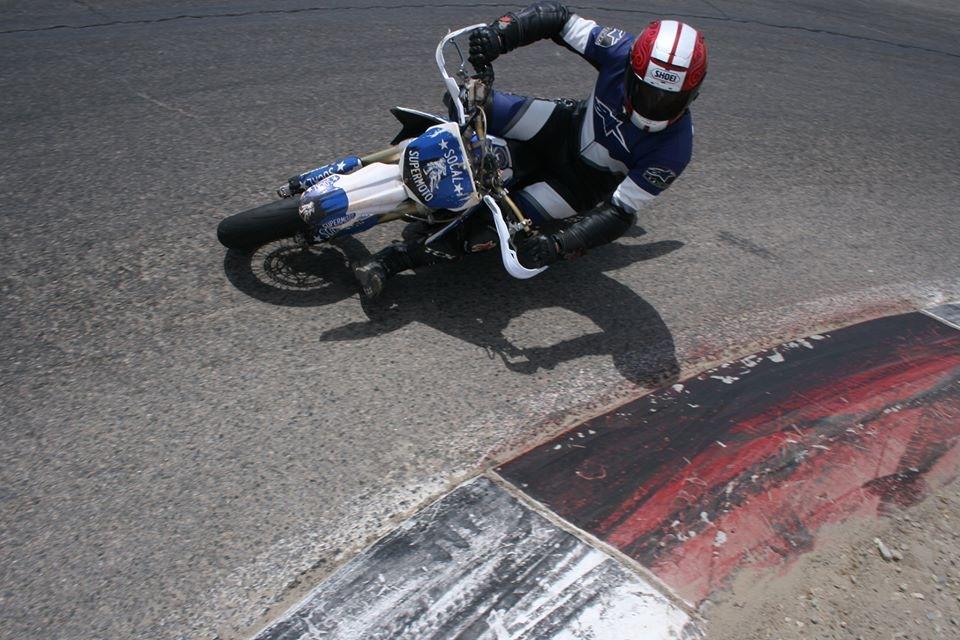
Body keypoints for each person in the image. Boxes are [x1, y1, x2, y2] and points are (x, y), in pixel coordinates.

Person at [353, 2, 708, 299]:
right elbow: (559, 19)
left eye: (668, 99)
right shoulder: (620, 49)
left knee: (485, 231)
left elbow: (620, 211)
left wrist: (559, 245)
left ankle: (393, 260)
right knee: (465, 102)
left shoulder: (675, 151)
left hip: (580, 185)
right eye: (647, 92)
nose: (655, 105)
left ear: (691, 94)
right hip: (562, 128)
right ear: (632, 68)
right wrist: (499, 35)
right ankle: (376, 165)